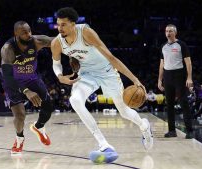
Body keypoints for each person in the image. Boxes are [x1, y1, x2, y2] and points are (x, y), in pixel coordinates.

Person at [51, 7, 153, 163]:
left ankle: (144, 125)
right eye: (58, 24)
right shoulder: (57, 43)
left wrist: (135, 80)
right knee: (75, 100)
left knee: (124, 111)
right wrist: (59, 76)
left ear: (73, 24)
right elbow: (56, 63)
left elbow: (111, 57)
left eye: (64, 24)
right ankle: (104, 144)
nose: (60, 28)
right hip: (87, 75)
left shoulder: (85, 32)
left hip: (107, 72)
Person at [1, 21, 54, 154]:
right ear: (16, 34)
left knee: (48, 107)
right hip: (13, 82)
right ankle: (19, 139)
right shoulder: (8, 49)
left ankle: (38, 127)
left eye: (29, 31)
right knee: (20, 115)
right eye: (24, 32)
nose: (28, 34)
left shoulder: (37, 41)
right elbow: (7, 76)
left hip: (32, 79)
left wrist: (72, 55)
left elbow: (59, 42)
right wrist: (26, 90)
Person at [158, 24, 194, 139]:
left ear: (175, 33)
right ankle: (172, 131)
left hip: (179, 75)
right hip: (167, 76)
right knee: (169, 105)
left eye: (170, 31)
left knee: (184, 103)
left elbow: (188, 62)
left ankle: (189, 131)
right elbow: (161, 64)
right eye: (166, 31)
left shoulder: (181, 45)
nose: (168, 33)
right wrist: (160, 79)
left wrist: (189, 78)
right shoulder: (163, 46)